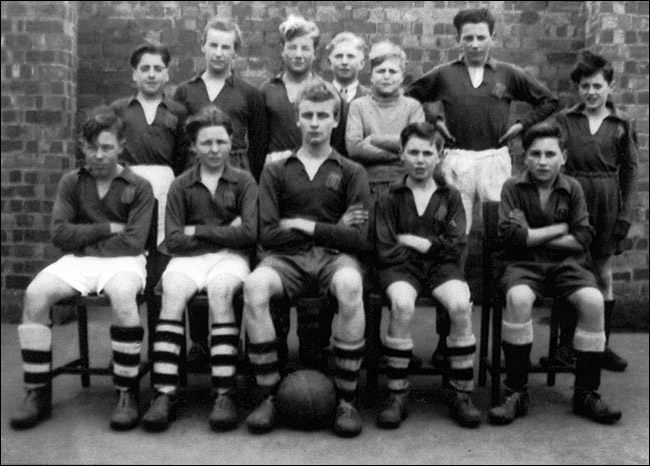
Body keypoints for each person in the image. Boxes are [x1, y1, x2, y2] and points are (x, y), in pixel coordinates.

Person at [10, 107, 155, 431]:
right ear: (83, 147)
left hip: (124, 262)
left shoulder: (139, 186)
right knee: (35, 294)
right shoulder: (72, 182)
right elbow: (59, 234)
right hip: (78, 262)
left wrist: (84, 239)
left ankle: (126, 392)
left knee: (122, 295)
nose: (99, 155)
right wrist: (106, 229)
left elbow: (133, 242)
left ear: (120, 145)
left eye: (106, 147)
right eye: (92, 148)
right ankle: (37, 391)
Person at [243, 81, 371, 437]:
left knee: (349, 285)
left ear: (335, 120)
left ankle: (346, 399)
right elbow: (267, 233)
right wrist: (333, 226)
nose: (315, 123)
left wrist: (304, 224)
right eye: (308, 115)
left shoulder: (351, 171)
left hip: (335, 258)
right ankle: (267, 394)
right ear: (297, 120)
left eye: (323, 116)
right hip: (286, 259)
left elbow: (359, 239)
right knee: (254, 287)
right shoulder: (276, 170)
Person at [489, 122, 622, 426]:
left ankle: (586, 392)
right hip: (522, 265)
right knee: (519, 298)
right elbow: (511, 237)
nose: (542, 161)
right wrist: (559, 229)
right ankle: (516, 392)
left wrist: (533, 233)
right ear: (525, 158)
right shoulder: (513, 187)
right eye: (535, 154)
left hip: (567, 266)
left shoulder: (572, 188)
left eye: (550, 154)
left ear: (563, 156)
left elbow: (584, 237)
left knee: (593, 300)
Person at [141, 106, 257, 432]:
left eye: (221, 141)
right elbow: (175, 241)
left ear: (231, 142)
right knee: (173, 292)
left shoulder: (244, 181)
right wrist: (222, 233)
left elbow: (249, 233)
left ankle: (224, 393)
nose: (214, 149)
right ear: (193, 145)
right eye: (206, 143)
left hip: (231, 259)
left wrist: (198, 231)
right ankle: (164, 393)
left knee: (221, 292)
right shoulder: (181, 185)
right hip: (191, 259)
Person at [405, 7, 559, 234]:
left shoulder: (507, 73)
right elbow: (410, 96)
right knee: (454, 229)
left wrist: (521, 125)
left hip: (494, 158)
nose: (475, 44)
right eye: (468, 38)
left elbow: (548, 101)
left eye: (481, 37)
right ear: (458, 39)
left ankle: (496, 270)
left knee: (499, 229)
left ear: (492, 39)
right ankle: (455, 269)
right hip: (458, 158)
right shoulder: (444, 74)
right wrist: (435, 121)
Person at [173, 17, 266, 369]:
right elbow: (182, 144)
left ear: (235, 53)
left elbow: (257, 144)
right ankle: (199, 340)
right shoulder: (186, 92)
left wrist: (249, 185)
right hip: (196, 172)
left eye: (226, 46)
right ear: (203, 46)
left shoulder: (248, 93)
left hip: (237, 172)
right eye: (213, 44)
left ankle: (234, 338)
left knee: (236, 252)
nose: (219, 52)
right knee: (196, 254)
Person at [375, 122, 481, 429]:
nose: (420, 160)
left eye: (427, 153)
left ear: (440, 155)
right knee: (403, 305)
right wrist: (431, 247)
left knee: (461, 305)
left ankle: (461, 393)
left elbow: (455, 245)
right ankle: (397, 394)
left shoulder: (451, 197)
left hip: (442, 269)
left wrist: (416, 241)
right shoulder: (390, 197)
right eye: (413, 152)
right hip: (401, 270)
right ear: (401, 155)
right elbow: (385, 249)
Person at [549, 51, 639, 372]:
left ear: (610, 87)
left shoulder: (621, 124)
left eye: (597, 85)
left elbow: (630, 173)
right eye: (585, 86)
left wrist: (624, 217)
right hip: (572, 202)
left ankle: (601, 345)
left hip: (606, 203)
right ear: (578, 89)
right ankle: (563, 346)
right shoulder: (565, 120)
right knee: (568, 270)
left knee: (602, 273)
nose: (591, 92)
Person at [111, 42, 189, 366]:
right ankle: (130, 350)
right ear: (134, 74)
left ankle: (166, 351)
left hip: (166, 189)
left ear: (167, 74)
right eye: (145, 68)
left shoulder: (177, 112)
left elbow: (184, 158)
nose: (152, 74)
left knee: (162, 264)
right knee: (132, 263)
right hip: (131, 192)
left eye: (158, 68)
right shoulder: (119, 110)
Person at [346, 40, 425, 201]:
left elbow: (417, 145)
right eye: (381, 71)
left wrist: (374, 139)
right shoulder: (359, 106)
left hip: (406, 185)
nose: (386, 76)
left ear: (402, 76)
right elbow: (354, 147)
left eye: (392, 71)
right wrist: (399, 152)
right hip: (368, 185)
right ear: (371, 76)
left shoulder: (413, 107)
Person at [326, 31, 370, 157]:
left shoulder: (370, 98)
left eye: (350, 56)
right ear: (329, 62)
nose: (344, 62)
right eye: (339, 56)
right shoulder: (320, 95)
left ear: (361, 63)